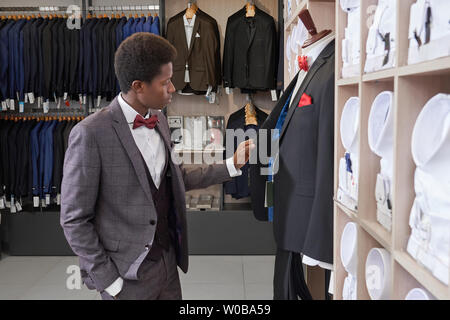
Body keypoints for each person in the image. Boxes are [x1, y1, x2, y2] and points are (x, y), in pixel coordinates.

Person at [60, 33, 255, 300]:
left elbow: (177, 179)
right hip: (126, 276)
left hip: (167, 265)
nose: (173, 88)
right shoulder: (91, 134)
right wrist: (110, 281)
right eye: (165, 83)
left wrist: (231, 165)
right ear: (138, 86)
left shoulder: (160, 120)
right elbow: (74, 219)